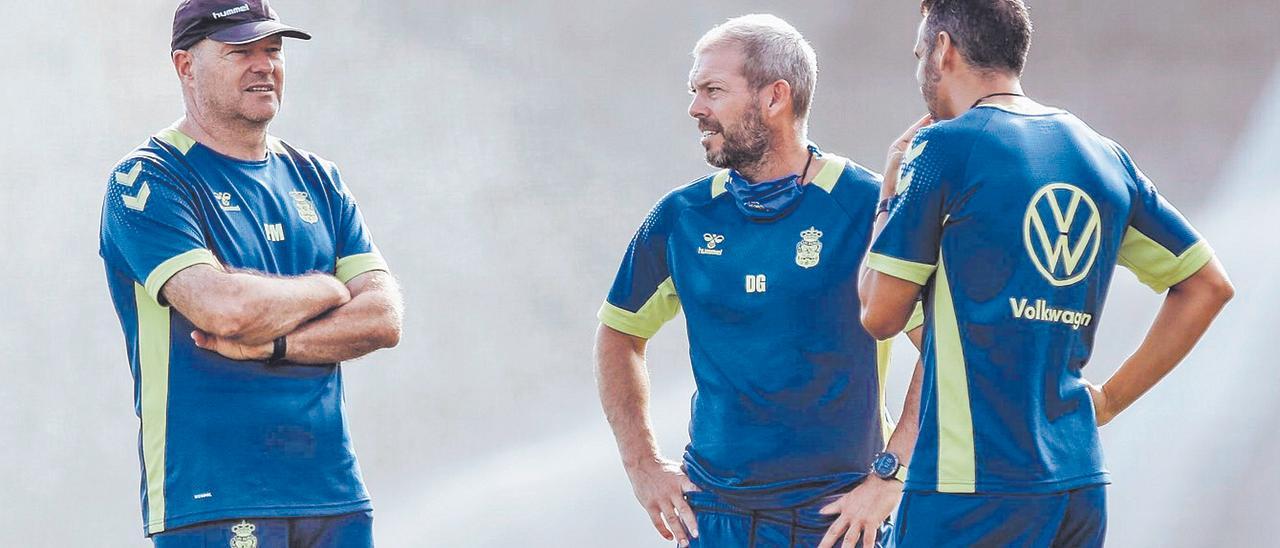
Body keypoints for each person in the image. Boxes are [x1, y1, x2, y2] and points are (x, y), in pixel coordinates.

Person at [853, 1, 1235, 546]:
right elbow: (1206, 284)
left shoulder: (942, 149)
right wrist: (1108, 400)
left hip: (972, 489)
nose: (920, 70)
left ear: (943, 49)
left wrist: (890, 192)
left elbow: (879, 313)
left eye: (919, 52)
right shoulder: (1102, 155)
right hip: (1077, 482)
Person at [594, 14, 921, 547]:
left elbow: (942, 346)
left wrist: (891, 474)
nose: (696, 108)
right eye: (695, 91)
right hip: (712, 518)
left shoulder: (868, 207)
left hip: (836, 519)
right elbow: (618, 334)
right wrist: (643, 465)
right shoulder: (681, 216)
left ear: (775, 98)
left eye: (713, 90)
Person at [98, 1, 403, 546]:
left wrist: (275, 345)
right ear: (185, 66)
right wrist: (330, 288)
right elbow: (225, 309)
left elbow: (382, 317)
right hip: (214, 497)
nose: (264, 65)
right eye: (241, 51)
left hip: (334, 493)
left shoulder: (319, 178)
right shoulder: (144, 180)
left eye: (273, 50)